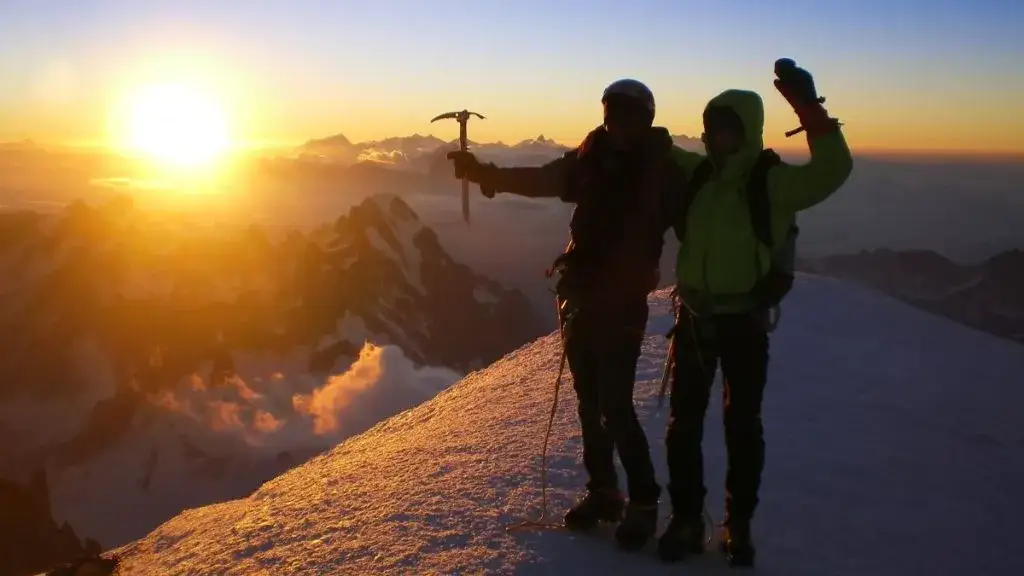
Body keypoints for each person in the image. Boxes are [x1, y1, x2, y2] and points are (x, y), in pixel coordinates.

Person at [446, 79, 690, 551]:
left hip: (620, 302)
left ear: (645, 120)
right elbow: (541, 179)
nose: (618, 124)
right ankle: (604, 492)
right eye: (613, 114)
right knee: (590, 403)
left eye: (627, 115)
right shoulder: (591, 160)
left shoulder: (660, 170)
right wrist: (486, 175)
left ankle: (642, 501)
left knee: (614, 406)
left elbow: (696, 220)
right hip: (582, 298)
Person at [656, 60, 854, 566]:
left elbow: (833, 170)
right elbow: (665, 153)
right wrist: (641, 134)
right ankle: (686, 518)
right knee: (683, 425)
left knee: (742, 426)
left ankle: (737, 524)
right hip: (696, 318)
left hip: (743, 323)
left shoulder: (772, 182)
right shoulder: (700, 173)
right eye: (712, 127)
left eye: (727, 128)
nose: (715, 136)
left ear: (747, 131)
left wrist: (810, 110)